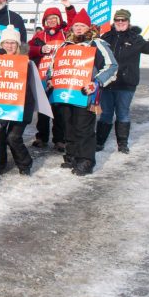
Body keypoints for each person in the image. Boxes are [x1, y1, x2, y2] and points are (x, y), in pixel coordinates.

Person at [46, 9, 118, 176]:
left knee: (83, 127)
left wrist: (96, 82)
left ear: (88, 27)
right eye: (76, 25)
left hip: (84, 94)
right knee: (68, 126)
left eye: (82, 26)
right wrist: (51, 78)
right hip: (64, 93)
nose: (78, 28)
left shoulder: (96, 44)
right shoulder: (65, 45)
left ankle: (86, 160)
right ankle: (71, 155)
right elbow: (53, 65)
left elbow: (111, 66)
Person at [96, 9, 149, 153]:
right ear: (114, 22)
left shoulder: (135, 38)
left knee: (122, 113)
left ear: (128, 22)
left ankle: (122, 144)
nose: (120, 23)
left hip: (126, 83)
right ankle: (99, 143)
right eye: (117, 20)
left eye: (123, 20)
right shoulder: (106, 37)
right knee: (106, 113)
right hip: (107, 84)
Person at [27, 0, 76, 151]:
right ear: (45, 21)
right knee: (43, 110)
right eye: (49, 19)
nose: (52, 21)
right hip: (42, 77)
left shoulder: (66, 33)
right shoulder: (40, 36)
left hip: (61, 78)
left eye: (54, 18)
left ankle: (59, 139)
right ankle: (41, 137)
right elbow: (26, 49)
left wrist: (69, 7)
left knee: (59, 110)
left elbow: (76, 23)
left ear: (59, 19)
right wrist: (40, 50)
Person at [0, 25, 35, 176]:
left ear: (18, 45)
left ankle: (25, 164)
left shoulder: (25, 62)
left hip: (21, 105)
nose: (9, 46)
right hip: (0, 103)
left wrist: (4, 117)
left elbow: (22, 92)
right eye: (6, 42)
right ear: (1, 44)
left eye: (13, 43)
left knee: (13, 137)